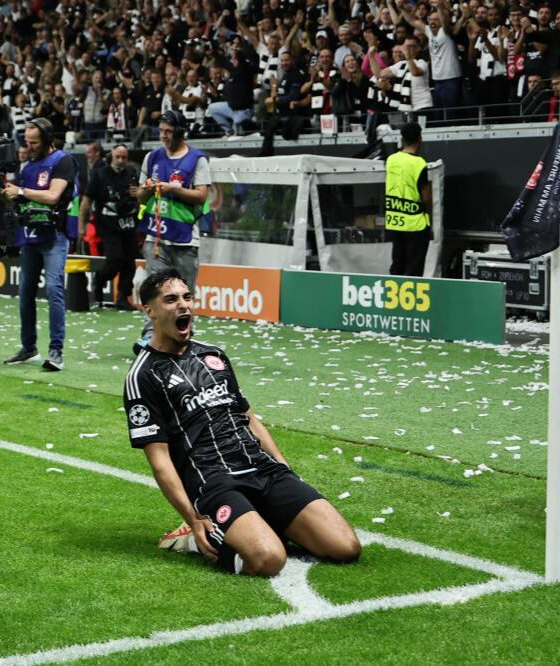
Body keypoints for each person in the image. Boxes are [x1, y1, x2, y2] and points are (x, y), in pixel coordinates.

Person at [126, 269, 361, 576]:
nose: (183, 305)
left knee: (345, 547)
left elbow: (248, 418)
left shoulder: (214, 355)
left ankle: (261, 518)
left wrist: (283, 468)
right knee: (268, 559)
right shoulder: (143, 375)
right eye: (170, 299)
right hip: (213, 480)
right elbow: (160, 461)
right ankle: (195, 540)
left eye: (187, 297)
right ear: (150, 310)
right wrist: (194, 517)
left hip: (261, 469)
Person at [0, 118, 78, 371]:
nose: (29, 146)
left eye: (34, 142)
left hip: (54, 234)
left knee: (54, 289)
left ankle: (56, 350)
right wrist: (7, 196)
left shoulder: (63, 161)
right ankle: (28, 347)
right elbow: (21, 203)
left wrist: (21, 191)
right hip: (30, 234)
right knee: (25, 294)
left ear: (46, 139)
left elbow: (53, 196)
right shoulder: (28, 166)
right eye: (27, 142)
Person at [135, 109, 209, 348]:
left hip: (186, 238)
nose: (164, 136)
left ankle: (184, 336)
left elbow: (201, 196)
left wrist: (172, 189)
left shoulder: (197, 159)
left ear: (179, 131)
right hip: (155, 237)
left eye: (168, 131)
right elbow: (140, 197)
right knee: (156, 290)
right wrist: (147, 189)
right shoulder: (151, 158)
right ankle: (150, 337)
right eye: (161, 131)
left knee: (184, 294)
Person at [80, 144, 139, 310]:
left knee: (130, 262)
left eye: (124, 157)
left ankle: (122, 297)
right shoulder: (100, 175)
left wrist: (139, 193)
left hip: (128, 223)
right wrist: (81, 225)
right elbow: (86, 201)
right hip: (107, 224)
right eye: (117, 157)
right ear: (111, 157)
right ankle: (99, 280)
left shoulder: (132, 173)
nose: (120, 161)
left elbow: (142, 197)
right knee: (115, 259)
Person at [384, 122, 432, 276]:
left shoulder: (391, 160)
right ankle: (411, 298)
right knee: (414, 267)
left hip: (395, 220)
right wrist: (429, 220)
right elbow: (426, 197)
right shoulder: (419, 163)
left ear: (402, 139)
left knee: (397, 263)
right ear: (420, 138)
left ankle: (392, 298)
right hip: (415, 224)